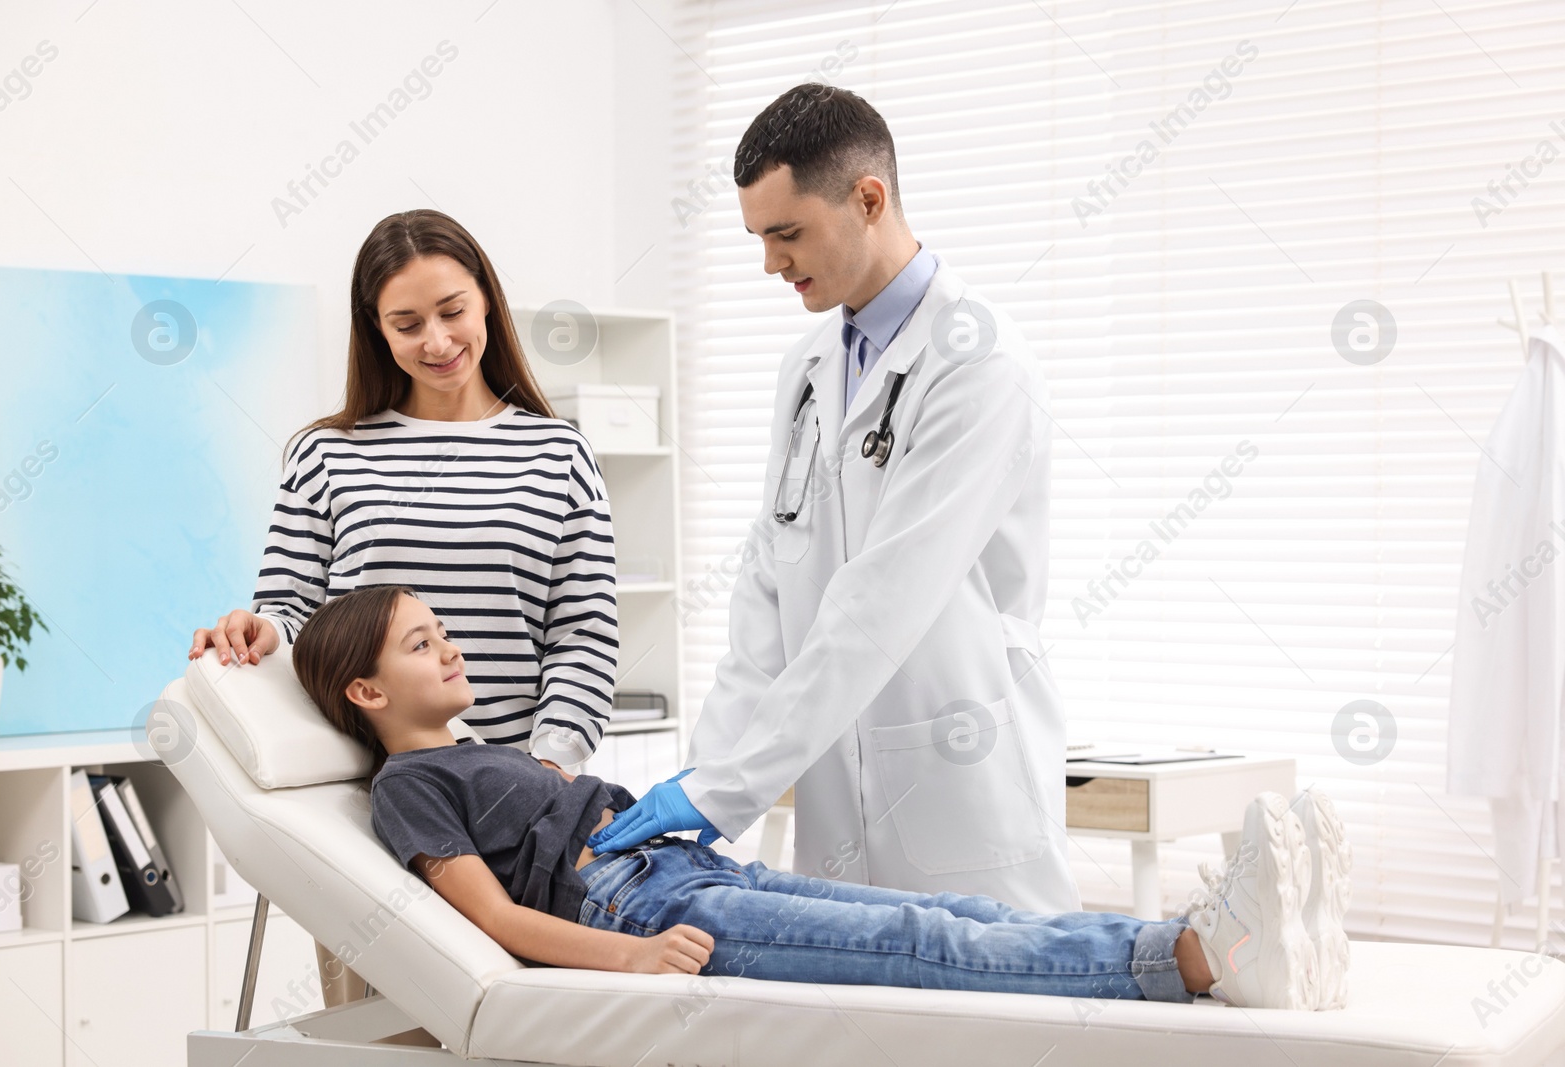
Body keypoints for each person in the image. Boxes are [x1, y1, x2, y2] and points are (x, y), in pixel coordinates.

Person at [292, 584, 1353, 1011]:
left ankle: (1210, 933)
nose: (452, 645)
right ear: (368, 689)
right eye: (424, 641)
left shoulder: (483, 749)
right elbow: (493, 918)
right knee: (913, 938)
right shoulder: (407, 783)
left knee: (947, 913)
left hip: (682, 872)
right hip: (642, 908)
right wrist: (633, 953)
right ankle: (1194, 957)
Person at [590, 83, 1078, 914]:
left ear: (868, 198)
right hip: (837, 800)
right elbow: (768, 594)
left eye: (787, 233)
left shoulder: (978, 361)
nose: (770, 263)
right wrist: (703, 775)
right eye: (758, 237)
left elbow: (884, 600)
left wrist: (729, 787)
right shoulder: (808, 369)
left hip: (958, 779)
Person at [187, 208, 619, 1007]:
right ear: (374, 329)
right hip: (379, 818)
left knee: (535, 1032)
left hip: (525, 818)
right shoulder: (326, 455)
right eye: (406, 322)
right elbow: (289, 603)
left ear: (486, 300)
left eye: (453, 310)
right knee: (380, 1037)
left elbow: (585, 634)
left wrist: (551, 765)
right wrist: (259, 627)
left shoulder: (559, 453)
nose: (437, 339)